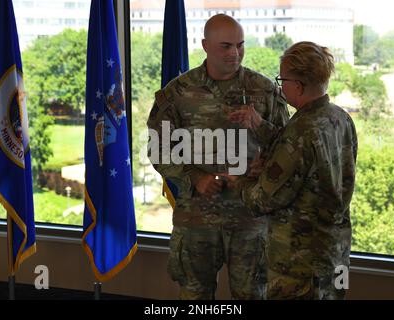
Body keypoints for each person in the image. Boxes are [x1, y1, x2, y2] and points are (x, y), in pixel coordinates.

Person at [147, 14, 289, 299]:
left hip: (251, 218)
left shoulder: (263, 90)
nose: (234, 53)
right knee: (195, 297)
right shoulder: (178, 92)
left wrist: (260, 128)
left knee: (252, 294)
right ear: (205, 46)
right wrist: (194, 177)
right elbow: (157, 148)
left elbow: (288, 148)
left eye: (240, 45)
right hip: (197, 218)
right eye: (225, 46)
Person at [227, 41, 358, 299]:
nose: (280, 86)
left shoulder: (300, 132)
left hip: (300, 268)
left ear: (298, 85)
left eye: (282, 79)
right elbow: (309, 156)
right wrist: (260, 125)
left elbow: (261, 200)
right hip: (336, 256)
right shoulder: (340, 118)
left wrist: (240, 181)